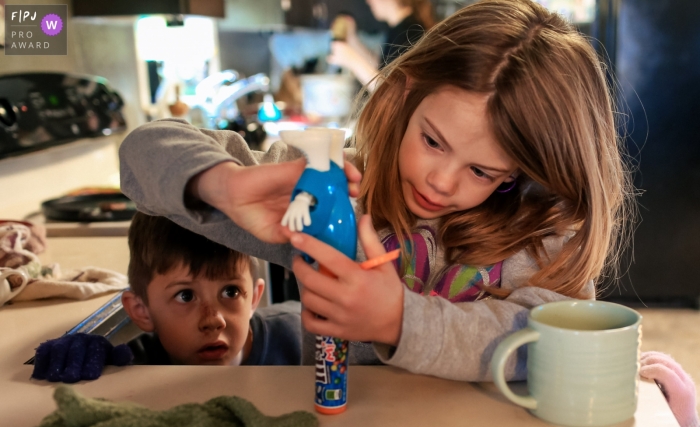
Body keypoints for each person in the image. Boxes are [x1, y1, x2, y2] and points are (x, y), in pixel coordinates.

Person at [118, 0, 633, 382]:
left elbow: (544, 345)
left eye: (482, 171)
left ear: (521, 173)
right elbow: (143, 151)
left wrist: (399, 319)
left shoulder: (540, 237)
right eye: (432, 141)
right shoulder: (332, 193)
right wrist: (225, 185)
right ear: (405, 94)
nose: (441, 181)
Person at [31, 213, 301, 382]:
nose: (213, 320)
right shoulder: (133, 364)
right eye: (185, 295)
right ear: (142, 310)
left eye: (230, 292)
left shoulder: (300, 337)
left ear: (254, 298)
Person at [327, 0, 435, 88]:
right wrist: (352, 40)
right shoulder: (400, 29)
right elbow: (382, 70)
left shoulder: (411, 33)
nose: (368, 1)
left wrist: (353, 60)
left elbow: (392, 94)